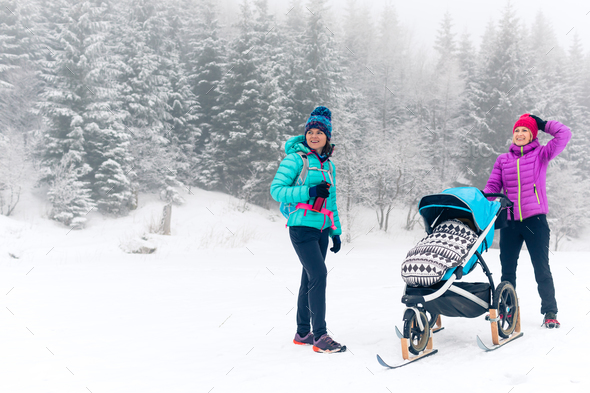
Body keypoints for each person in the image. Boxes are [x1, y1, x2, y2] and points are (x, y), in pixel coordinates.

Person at [483, 113, 571, 329]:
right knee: (507, 269)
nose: (520, 134)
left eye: (525, 131)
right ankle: (507, 310)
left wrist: (542, 124)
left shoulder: (542, 154)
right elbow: (493, 187)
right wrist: (484, 200)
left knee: (541, 268)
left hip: (535, 222)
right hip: (510, 222)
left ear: (532, 135)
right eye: (517, 131)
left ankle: (550, 312)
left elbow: (564, 134)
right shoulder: (503, 160)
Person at [270, 106, 345, 353]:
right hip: (301, 227)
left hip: (322, 230)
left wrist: (335, 231)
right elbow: (276, 190)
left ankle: (303, 332)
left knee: (310, 278)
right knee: (319, 275)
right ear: (305, 135)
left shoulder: (329, 166)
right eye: (310, 131)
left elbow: (331, 201)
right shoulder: (295, 159)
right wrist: (308, 191)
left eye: (319, 132)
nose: (314, 136)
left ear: (327, 137)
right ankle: (320, 336)